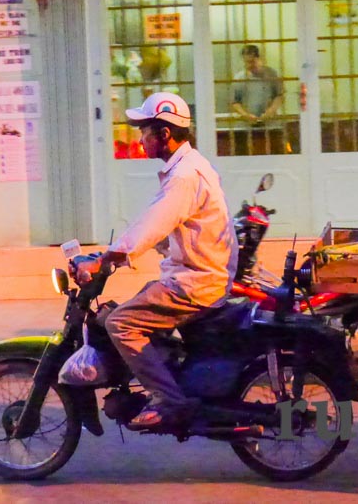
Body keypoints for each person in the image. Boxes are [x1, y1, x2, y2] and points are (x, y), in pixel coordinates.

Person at [78, 92, 238, 430]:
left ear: (164, 134)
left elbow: (150, 227)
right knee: (138, 304)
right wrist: (109, 256)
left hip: (195, 283)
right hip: (194, 275)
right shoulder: (188, 166)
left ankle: (169, 401)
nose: (140, 138)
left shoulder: (184, 177)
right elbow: (157, 228)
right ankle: (172, 378)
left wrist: (107, 259)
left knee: (120, 322)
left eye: (145, 130)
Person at [230, 45, 283, 124]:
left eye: (252, 62)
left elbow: (280, 96)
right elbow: (234, 102)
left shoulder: (272, 74)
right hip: (247, 125)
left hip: (270, 122)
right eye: (246, 62)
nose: (249, 65)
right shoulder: (239, 78)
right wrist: (245, 115)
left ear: (259, 59)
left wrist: (271, 110)